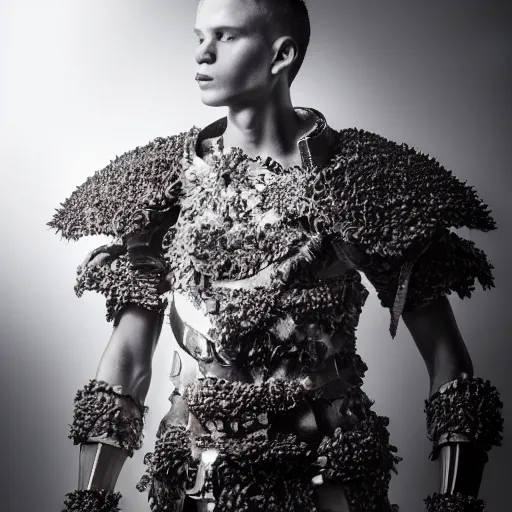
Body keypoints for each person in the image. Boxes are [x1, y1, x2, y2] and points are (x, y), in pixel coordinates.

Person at [48, 0, 504, 511]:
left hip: (330, 482)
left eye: (226, 36)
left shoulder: (359, 177)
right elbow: (126, 363)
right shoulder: (163, 185)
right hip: (196, 487)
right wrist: (89, 501)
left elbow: (449, 364)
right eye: (199, 35)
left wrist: (455, 502)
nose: (202, 52)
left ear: (281, 54)